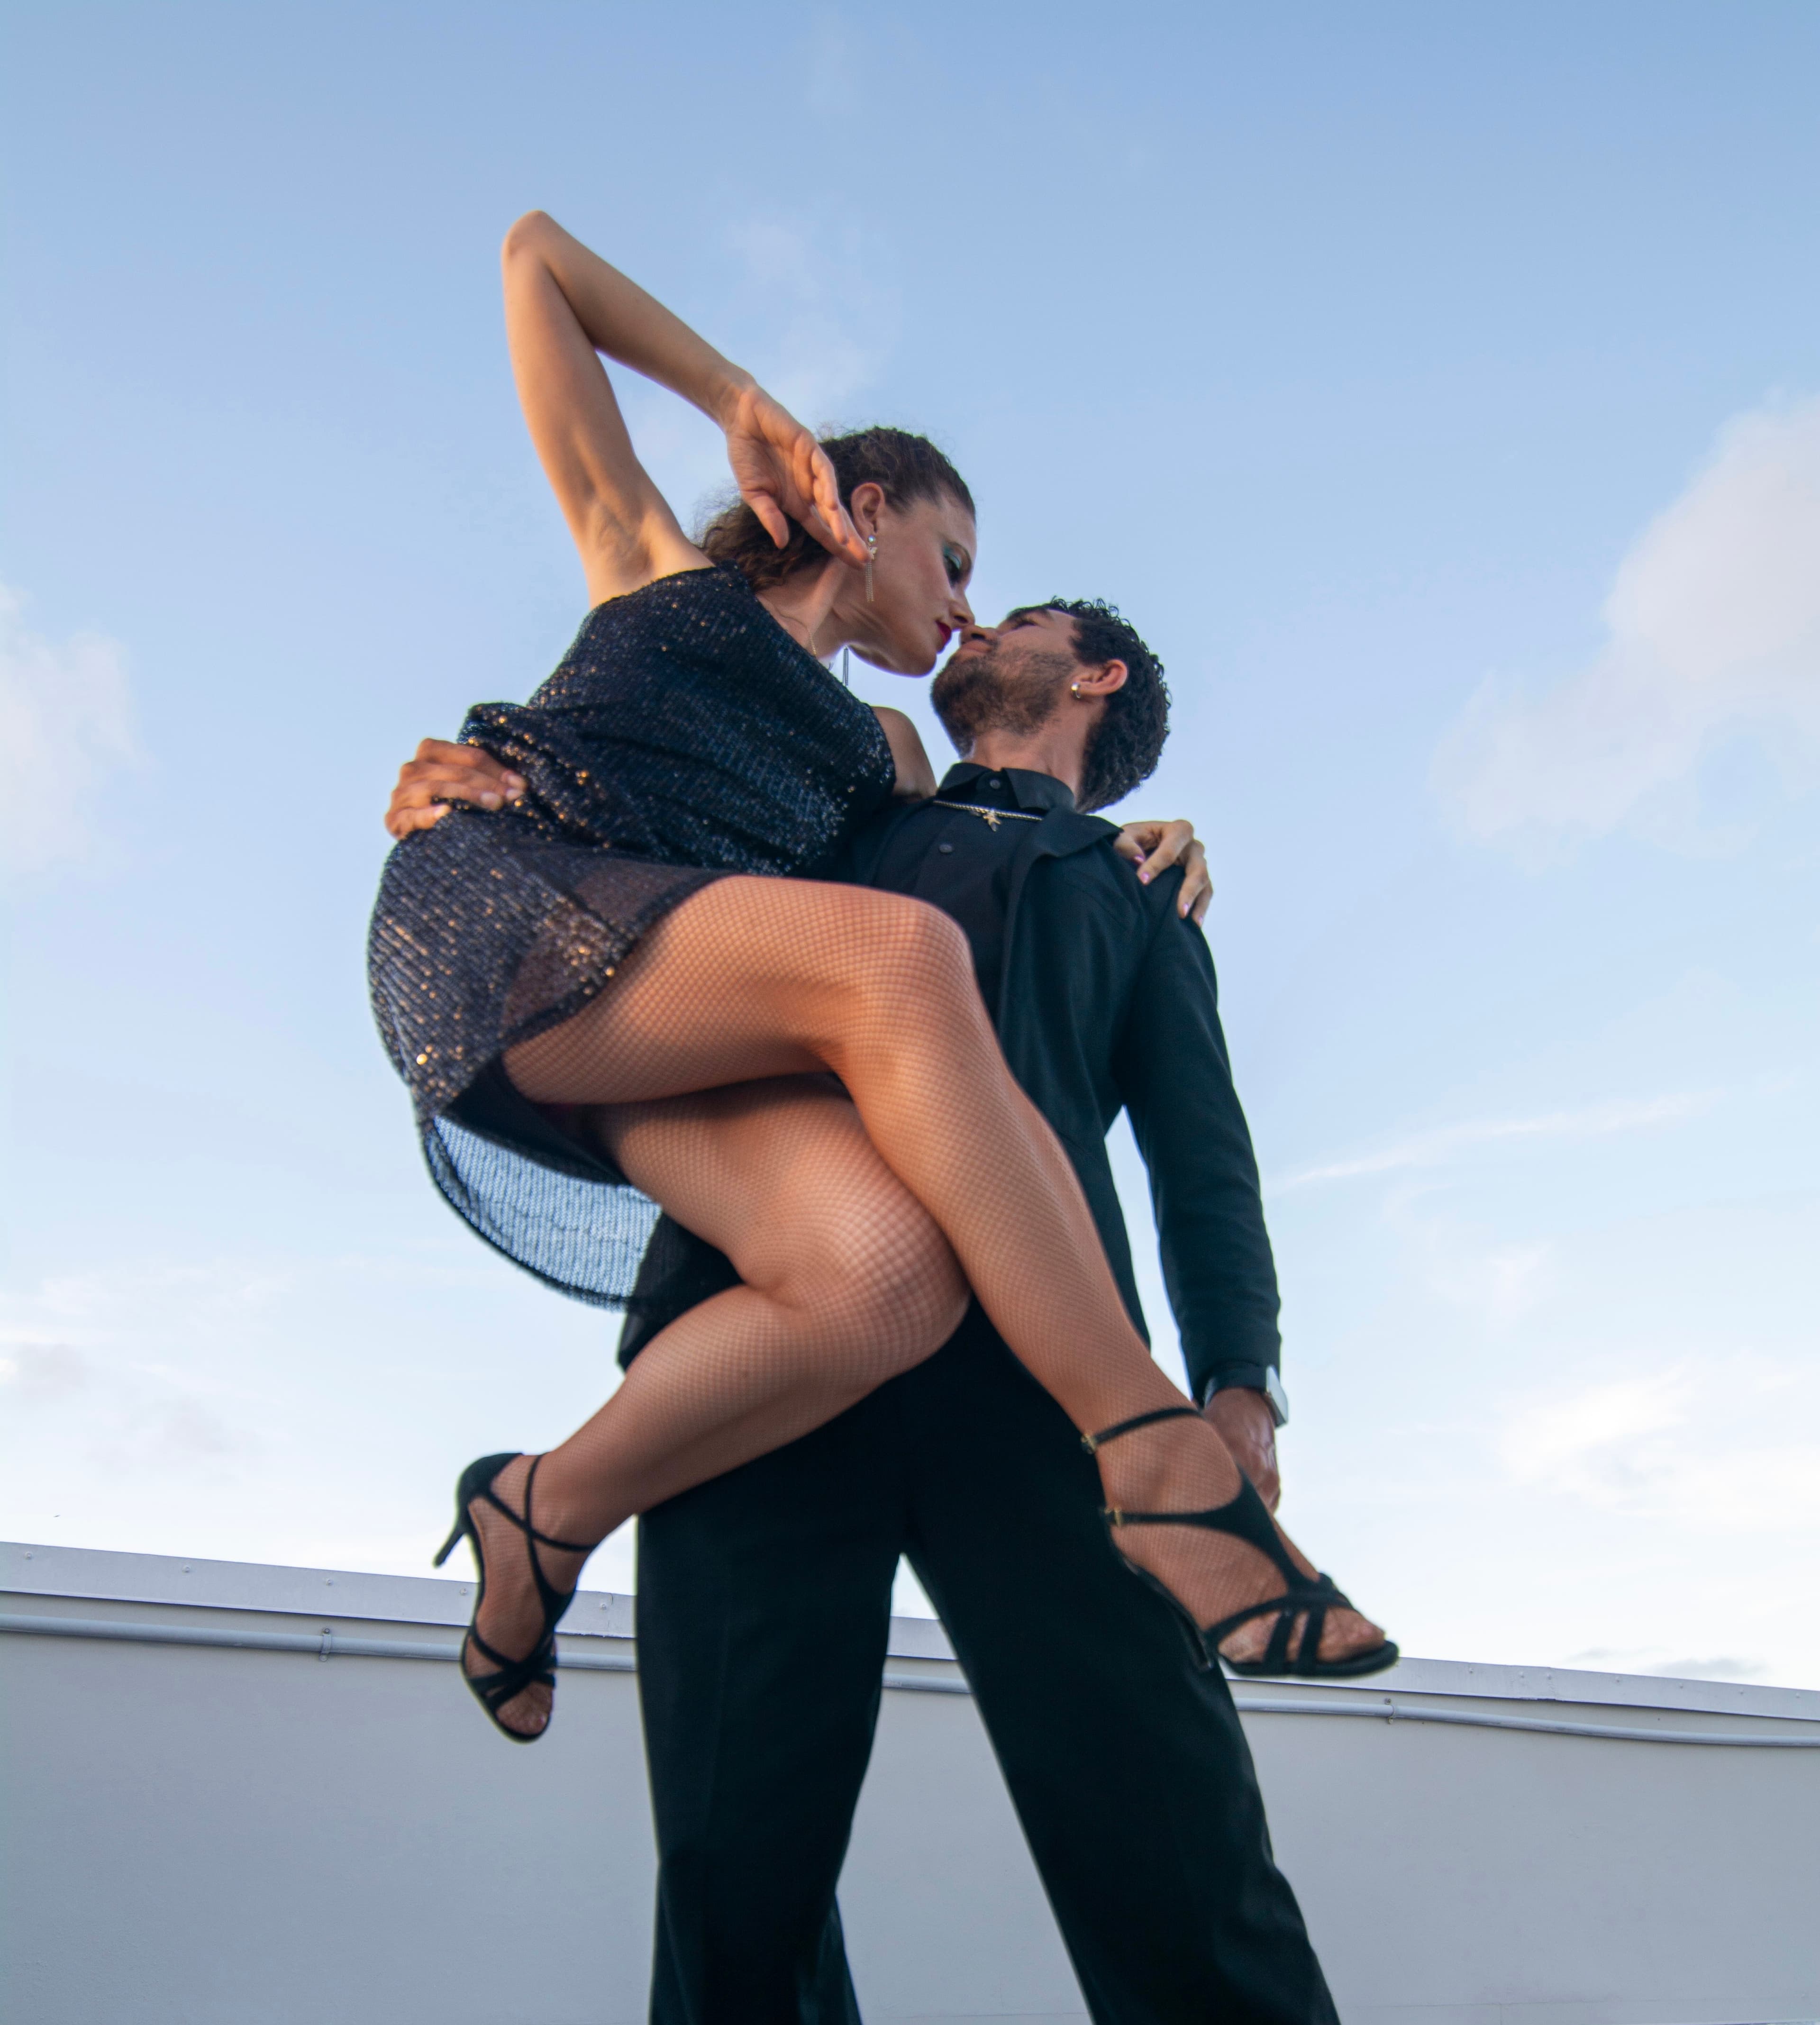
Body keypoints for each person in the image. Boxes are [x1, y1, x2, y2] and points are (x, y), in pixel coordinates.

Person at [369, 209, 1392, 1743]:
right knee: (898, 962)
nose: (970, 602)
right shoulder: (651, 576)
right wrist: (737, 405)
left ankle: (539, 1509)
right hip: (509, 919)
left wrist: (1138, 834)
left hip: (661, 1041)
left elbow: (982, 860)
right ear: (863, 511)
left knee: (889, 1281)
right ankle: (1150, 1453)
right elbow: (534, 264)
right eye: (957, 557)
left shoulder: (892, 760)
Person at [386, 598, 1365, 2025]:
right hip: (760, 1341)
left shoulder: (1133, 884)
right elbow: (628, 865)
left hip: (1046, 1382)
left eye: (1018, 610)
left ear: (1093, 676)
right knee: (736, 1868)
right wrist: (481, 798)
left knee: (1173, 1829)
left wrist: (1240, 1386)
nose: (971, 615)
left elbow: (1204, 1161)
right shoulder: (825, 809)